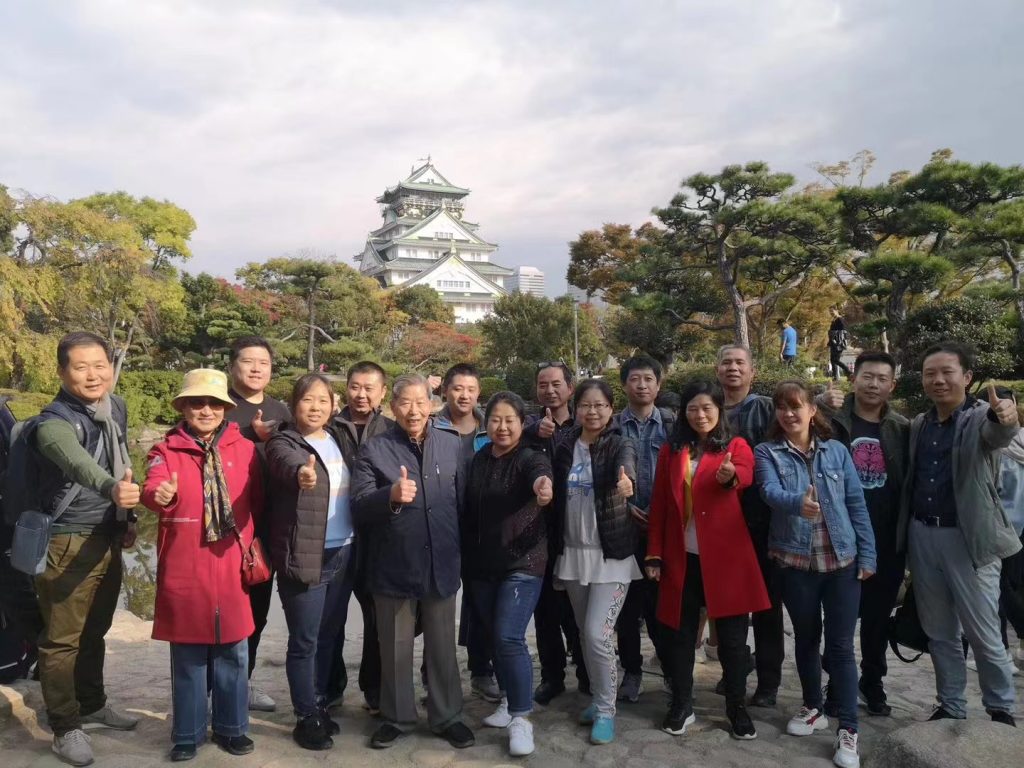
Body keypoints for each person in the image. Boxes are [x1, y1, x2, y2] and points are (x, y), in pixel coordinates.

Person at [895, 342, 1020, 726]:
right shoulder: (920, 424)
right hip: (923, 535)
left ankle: (1000, 707)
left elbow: (998, 433)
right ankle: (950, 704)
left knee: (983, 632)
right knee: (939, 632)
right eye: (930, 373)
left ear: (966, 377)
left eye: (947, 372)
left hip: (969, 539)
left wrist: (1006, 416)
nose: (938, 380)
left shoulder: (979, 418)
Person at [142, 369, 262, 762]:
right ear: (184, 407)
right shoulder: (165, 451)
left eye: (213, 403)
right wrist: (159, 494)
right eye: (197, 402)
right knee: (188, 656)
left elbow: (261, 501)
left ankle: (232, 728)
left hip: (230, 564)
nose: (206, 410)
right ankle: (187, 733)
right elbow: (152, 486)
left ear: (226, 408)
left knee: (234, 652)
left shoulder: (246, 450)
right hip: (186, 566)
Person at [32, 332, 140, 767]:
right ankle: (64, 726)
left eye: (100, 365)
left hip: (107, 533)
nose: (93, 375)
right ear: (62, 372)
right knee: (61, 641)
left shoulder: (115, 407)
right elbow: (80, 464)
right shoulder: (53, 423)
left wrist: (128, 518)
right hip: (66, 539)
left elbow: (123, 460)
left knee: (96, 628)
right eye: (81, 367)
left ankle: (92, 704)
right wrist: (112, 489)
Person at [755, 380, 876, 768]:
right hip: (795, 563)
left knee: (840, 646)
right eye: (782, 407)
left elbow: (856, 503)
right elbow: (768, 491)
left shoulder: (837, 451)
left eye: (797, 406)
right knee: (807, 639)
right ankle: (813, 707)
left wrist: (868, 555)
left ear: (812, 410)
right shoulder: (767, 451)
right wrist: (798, 503)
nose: (789, 413)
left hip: (841, 562)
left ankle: (849, 728)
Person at [351, 374, 474, 750]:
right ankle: (396, 716)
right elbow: (359, 505)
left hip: (441, 561)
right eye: (405, 402)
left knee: (442, 646)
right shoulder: (375, 449)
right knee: (394, 646)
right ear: (392, 407)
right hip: (394, 563)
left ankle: (447, 716)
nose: (414, 410)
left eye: (421, 402)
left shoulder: (452, 444)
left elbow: (463, 503)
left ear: (433, 404)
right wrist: (389, 495)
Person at [646, 380, 768, 740]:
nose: (700, 415)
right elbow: (660, 504)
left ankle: (736, 706)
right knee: (680, 636)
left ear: (719, 410)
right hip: (681, 557)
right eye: (693, 408)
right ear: (684, 412)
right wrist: (654, 553)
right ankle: (682, 703)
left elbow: (745, 475)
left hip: (726, 560)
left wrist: (730, 477)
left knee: (732, 641)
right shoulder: (672, 450)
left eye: (707, 408)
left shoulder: (736, 445)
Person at [266, 375, 358, 750]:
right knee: (305, 640)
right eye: (308, 399)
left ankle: (318, 703)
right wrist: (301, 474)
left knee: (328, 635)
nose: (316, 407)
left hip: (344, 549)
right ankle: (305, 716)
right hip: (306, 553)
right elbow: (286, 465)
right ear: (294, 404)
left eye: (323, 400)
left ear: (333, 405)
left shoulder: (338, 437)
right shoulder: (283, 442)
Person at [818, 352, 909, 716]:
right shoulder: (831, 419)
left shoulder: (902, 428)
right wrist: (819, 401)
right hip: (840, 535)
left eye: (882, 379)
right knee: (839, 618)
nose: (873, 384)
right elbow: (794, 418)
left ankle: (873, 680)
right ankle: (837, 682)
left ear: (892, 385)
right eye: (867, 376)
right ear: (854, 378)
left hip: (886, 538)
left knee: (877, 617)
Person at [463, 391, 553, 757]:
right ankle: (507, 697)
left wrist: (543, 487)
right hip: (483, 565)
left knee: (508, 637)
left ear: (522, 423)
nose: (502, 427)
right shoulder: (480, 458)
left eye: (509, 420)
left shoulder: (531, 457)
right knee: (492, 635)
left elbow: (541, 477)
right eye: (495, 420)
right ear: (486, 424)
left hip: (523, 563)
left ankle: (521, 717)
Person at [551, 379, 638, 745]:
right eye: (585, 404)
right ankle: (599, 697)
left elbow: (626, 467)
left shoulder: (619, 443)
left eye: (600, 405)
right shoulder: (565, 446)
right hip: (573, 553)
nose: (592, 411)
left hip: (611, 555)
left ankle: (605, 709)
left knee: (596, 634)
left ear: (610, 409)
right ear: (576, 409)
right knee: (583, 635)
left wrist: (627, 483)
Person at [223, 336, 291, 714]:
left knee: (257, 611)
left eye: (263, 363)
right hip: (227, 530)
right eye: (248, 361)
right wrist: (251, 435)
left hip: (269, 529)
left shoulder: (280, 410)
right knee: (225, 608)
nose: (256, 368)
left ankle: (242, 681)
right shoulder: (217, 406)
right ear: (232, 365)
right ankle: (218, 683)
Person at [714, 344, 783, 706]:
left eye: (740, 362)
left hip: (764, 521)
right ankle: (735, 670)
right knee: (730, 605)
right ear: (717, 370)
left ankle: (769, 681)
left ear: (752, 371)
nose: (733, 368)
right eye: (726, 362)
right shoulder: (709, 410)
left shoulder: (766, 408)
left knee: (768, 605)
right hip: (722, 525)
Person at [329, 361, 394, 714]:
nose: (361, 394)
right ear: (346, 389)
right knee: (332, 616)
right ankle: (330, 686)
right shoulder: (328, 428)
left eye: (370, 388)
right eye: (355, 386)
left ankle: (374, 688)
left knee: (376, 619)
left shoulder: (391, 430)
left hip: (378, 539)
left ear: (383, 392)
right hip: (335, 537)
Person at [433, 363, 499, 703]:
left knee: (480, 603)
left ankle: (481, 671)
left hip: (481, 531)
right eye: (458, 388)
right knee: (436, 606)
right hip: (439, 527)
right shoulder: (431, 426)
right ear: (445, 389)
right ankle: (433, 677)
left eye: (471, 389)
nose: (464, 395)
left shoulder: (491, 428)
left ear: (478, 393)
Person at [524, 361, 588, 704]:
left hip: (577, 530)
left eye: (556, 384)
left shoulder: (583, 425)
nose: (549, 390)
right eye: (542, 384)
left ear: (570, 388)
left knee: (577, 608)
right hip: (538, 532)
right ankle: (552, 676)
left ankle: (587, 673)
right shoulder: (528, 428)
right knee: (545, 609)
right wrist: (535, 433)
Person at [612, 355, 674, 703]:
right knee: (627, 607)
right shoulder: (613, 426)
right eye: (635, 379)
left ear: (658, 385)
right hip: (624, 528)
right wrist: (627, 508)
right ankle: (632, 671)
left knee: (661, 606)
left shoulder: (671, 425)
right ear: (624, 385)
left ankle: (669, 668)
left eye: (649, 379)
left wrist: (659, 513)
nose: (642, 385)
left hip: (663, 529)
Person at [827, 309, 852, 381]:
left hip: (839, 343)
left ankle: (848, 372)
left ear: (836, 311)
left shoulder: (840, 319)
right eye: (830, 312)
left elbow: (843, 332)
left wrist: (840, 342)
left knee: (836, 360)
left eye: (832, 312)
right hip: (833, 343)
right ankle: (835, 376)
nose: (831, 313)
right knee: (832, 360)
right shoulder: (834, 320)